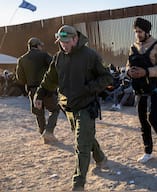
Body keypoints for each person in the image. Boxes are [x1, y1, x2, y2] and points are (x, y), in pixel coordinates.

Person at [33, 25, 112, 191]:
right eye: (61, 42)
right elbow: (49, 79)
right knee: (85, 136)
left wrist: (88, 88)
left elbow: (107, 77)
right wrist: (38, 95)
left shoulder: (90, 56)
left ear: (75, 39)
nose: (63, 45)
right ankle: (101, 158)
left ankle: (78, 184)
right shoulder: (58, 58)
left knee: (81, 144)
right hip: (68, 107)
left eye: (66, 41)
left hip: (86, 105)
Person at [126, 17, 157, 163]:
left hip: (155, 88)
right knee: (143, 121)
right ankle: (148, 151)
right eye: (136, 31)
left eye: (140, 31)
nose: (138, 34)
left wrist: (146, 72)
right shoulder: (133, 47)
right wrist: (128, 72)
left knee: (153, 118)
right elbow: (127, 65)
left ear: (147, 31)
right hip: (139, 89)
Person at [16, 37, 60, 143]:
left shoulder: (21, 59)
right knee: (55, 109)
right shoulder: (44, 55)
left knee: (39, 114)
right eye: (40, 45)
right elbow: (55, 67)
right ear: (37, 46)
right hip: (46, 89)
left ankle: (44, 135)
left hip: (32, 90)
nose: (41, 47)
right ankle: (49, 131)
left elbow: (20, 79)